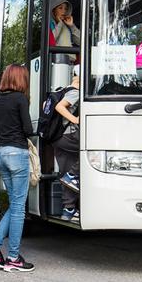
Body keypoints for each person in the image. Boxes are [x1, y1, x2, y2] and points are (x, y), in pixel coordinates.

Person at [0, 64, 36, 273]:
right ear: (20, 80)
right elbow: (27, 129)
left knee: (14, 205)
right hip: (17, 154)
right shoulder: (20, 99)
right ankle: (13, 257)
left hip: (1, 153)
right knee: (19, 208)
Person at [52, 65, 81, 222]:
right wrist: (75, 119)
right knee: (92, 151)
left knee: (65, 173)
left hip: (57, 138)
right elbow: (59, 107)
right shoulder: (75, 92)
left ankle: (68, 210)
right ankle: (73, 174)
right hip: (68, 136)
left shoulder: (62, 90)